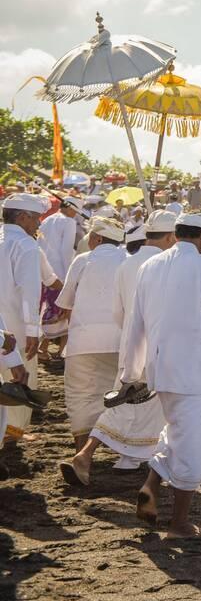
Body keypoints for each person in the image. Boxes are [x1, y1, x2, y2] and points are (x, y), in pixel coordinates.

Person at [118, 212, 201, 538]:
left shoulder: (150, 266)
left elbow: (134, 325)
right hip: (192, 371)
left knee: (177, 432)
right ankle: (178, 523)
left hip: (159, 370)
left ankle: (151, 485)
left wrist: (130, 373)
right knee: (196, 443)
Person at [60, 210, 176, 485]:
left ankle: (123, 459)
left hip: (126, 343)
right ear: (171, 236)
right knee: (132, 406)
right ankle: (89, 455)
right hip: (156, 346)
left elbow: (118, 312)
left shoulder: (128, 263)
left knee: (122, 402)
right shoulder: (164, 263)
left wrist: (130, 335)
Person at [54, 216, 128, 451]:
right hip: (120, 341)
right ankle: (121, 451)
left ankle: (81, 451)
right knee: (120, 397)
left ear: (96, 238)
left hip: (83, 342)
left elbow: (64, 303)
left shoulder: (82, 260)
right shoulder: (129, 261)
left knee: (81, 396)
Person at [1, 192, 47, 446]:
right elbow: (30, 291)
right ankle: (11, 433)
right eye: (36, 218)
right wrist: (33, 330)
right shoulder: (26, 245)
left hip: (2, 326)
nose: (39, 224)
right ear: (21, 217)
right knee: (18, 379)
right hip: (15, 326)